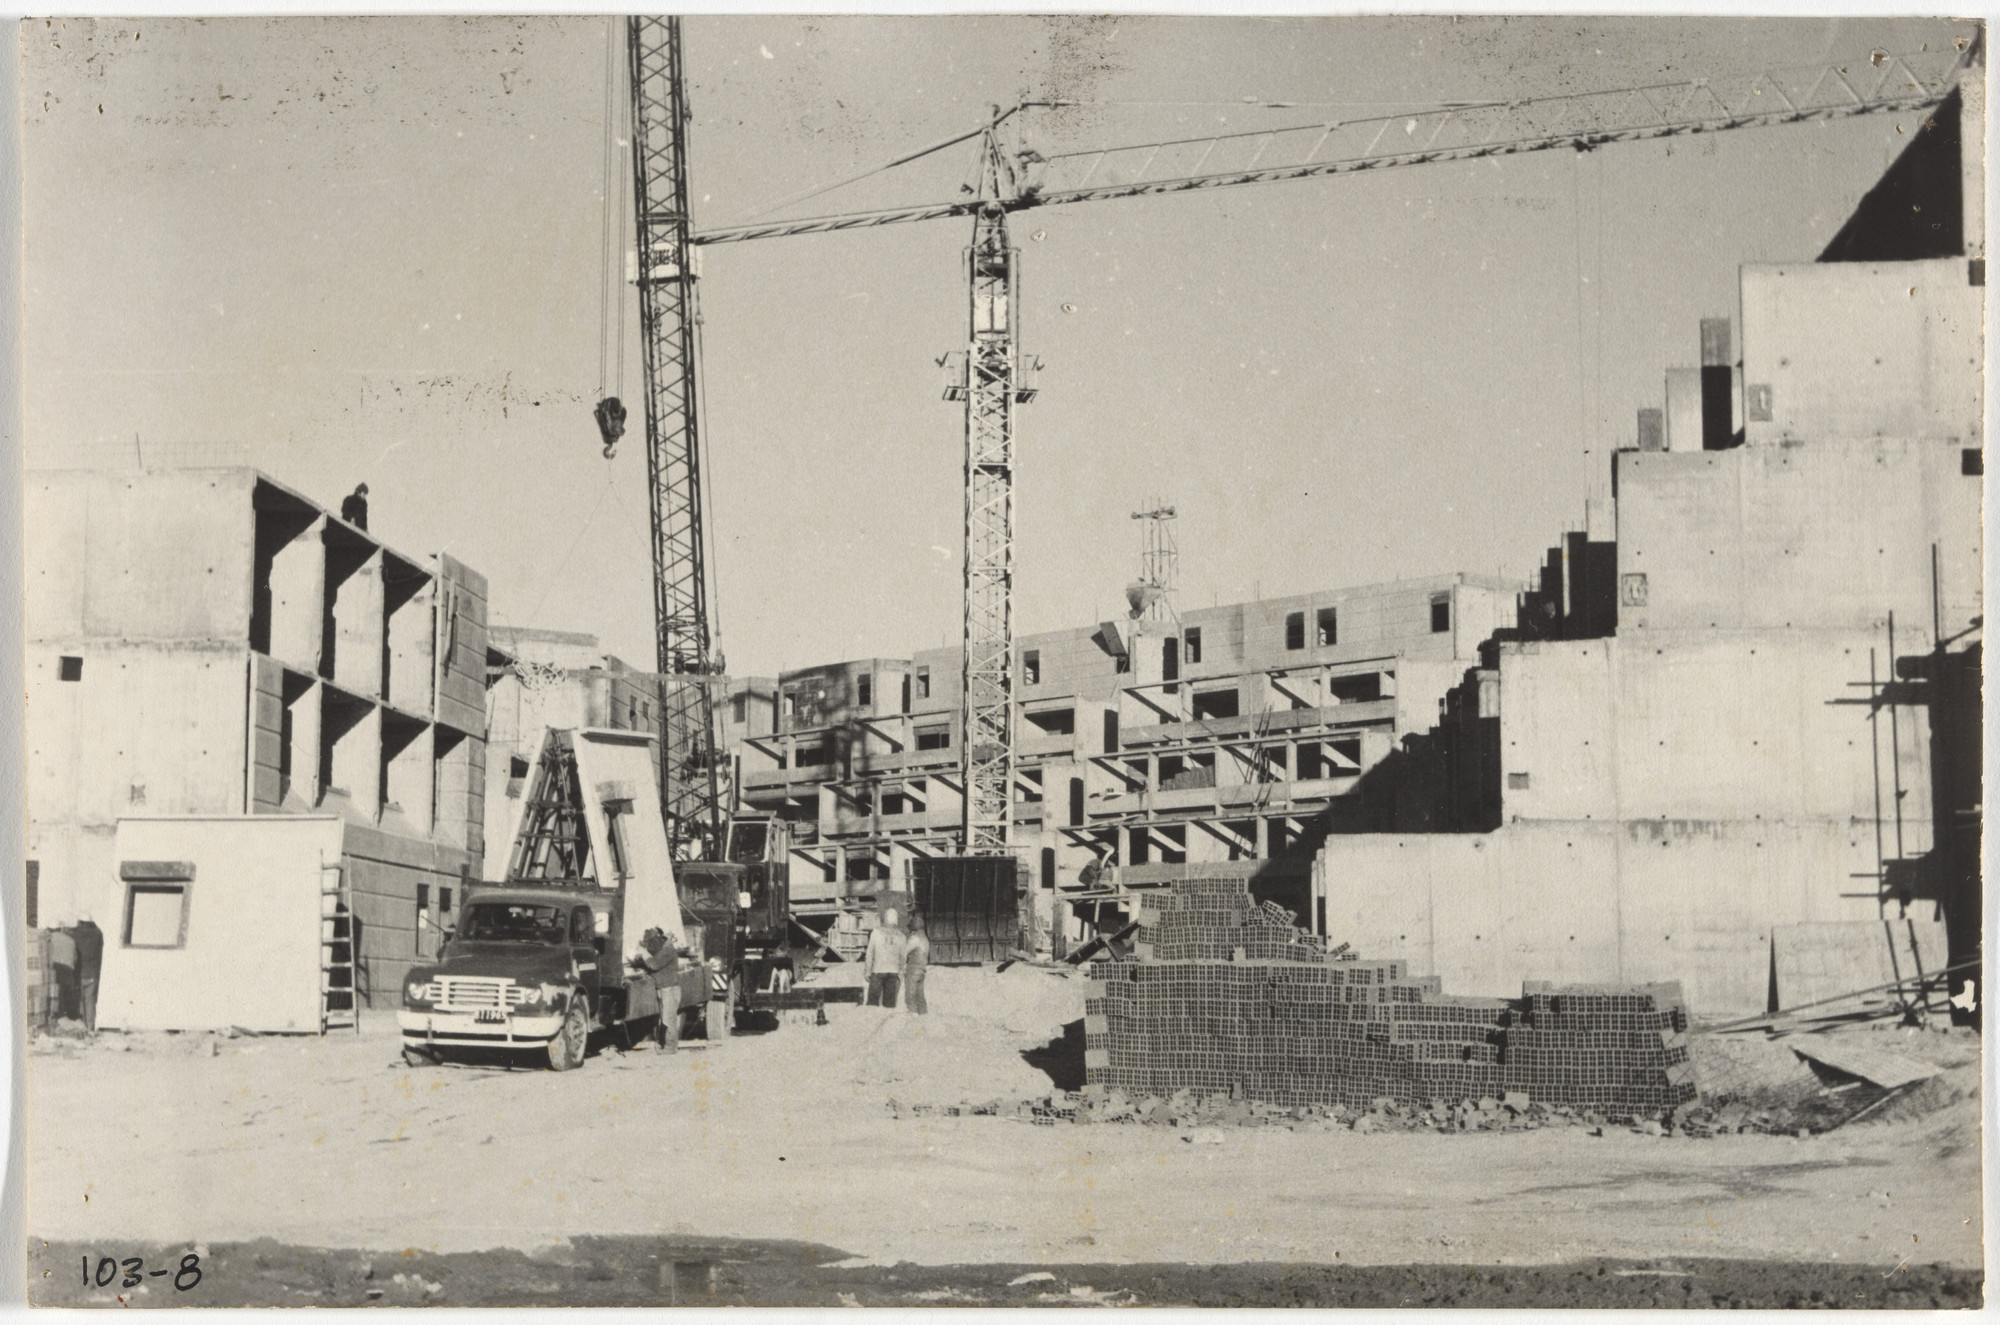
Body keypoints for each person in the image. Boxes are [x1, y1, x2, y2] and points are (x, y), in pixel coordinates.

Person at [862, 908, 907, 1009]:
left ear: (885, 918)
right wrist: (900, 973)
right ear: (896, 920)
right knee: (889, 1005)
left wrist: (867, 971)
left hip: (877, 971)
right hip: (893, 972)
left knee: (872, 1004)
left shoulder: (876, 933)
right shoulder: (901, 936)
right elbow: (903, 957)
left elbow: (869, 953)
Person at [73, 913, 103, 1033]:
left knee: (80, 1000)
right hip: (93, 973)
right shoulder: (97, 933)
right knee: (90, 1001)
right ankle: (90, 1027)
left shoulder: (76, 934)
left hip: (80, 973)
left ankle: (82, 1026)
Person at [45, 924, 78, 1027]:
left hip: (56, 968)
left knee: (55, 995)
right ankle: (67, 1020)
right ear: (60, 929)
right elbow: (75, 958)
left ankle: (57, 1020)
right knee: (66, 994)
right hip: (69, 969)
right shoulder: (70, 940)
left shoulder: (50, 938)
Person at [902, 914, 930, 1016]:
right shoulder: (925, 939)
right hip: (922, 971)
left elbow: (904, 951)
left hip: (913, 970)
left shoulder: (915, 938)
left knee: (911, 995)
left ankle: (912, 1017)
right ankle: (924, 1016)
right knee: (920, 996)